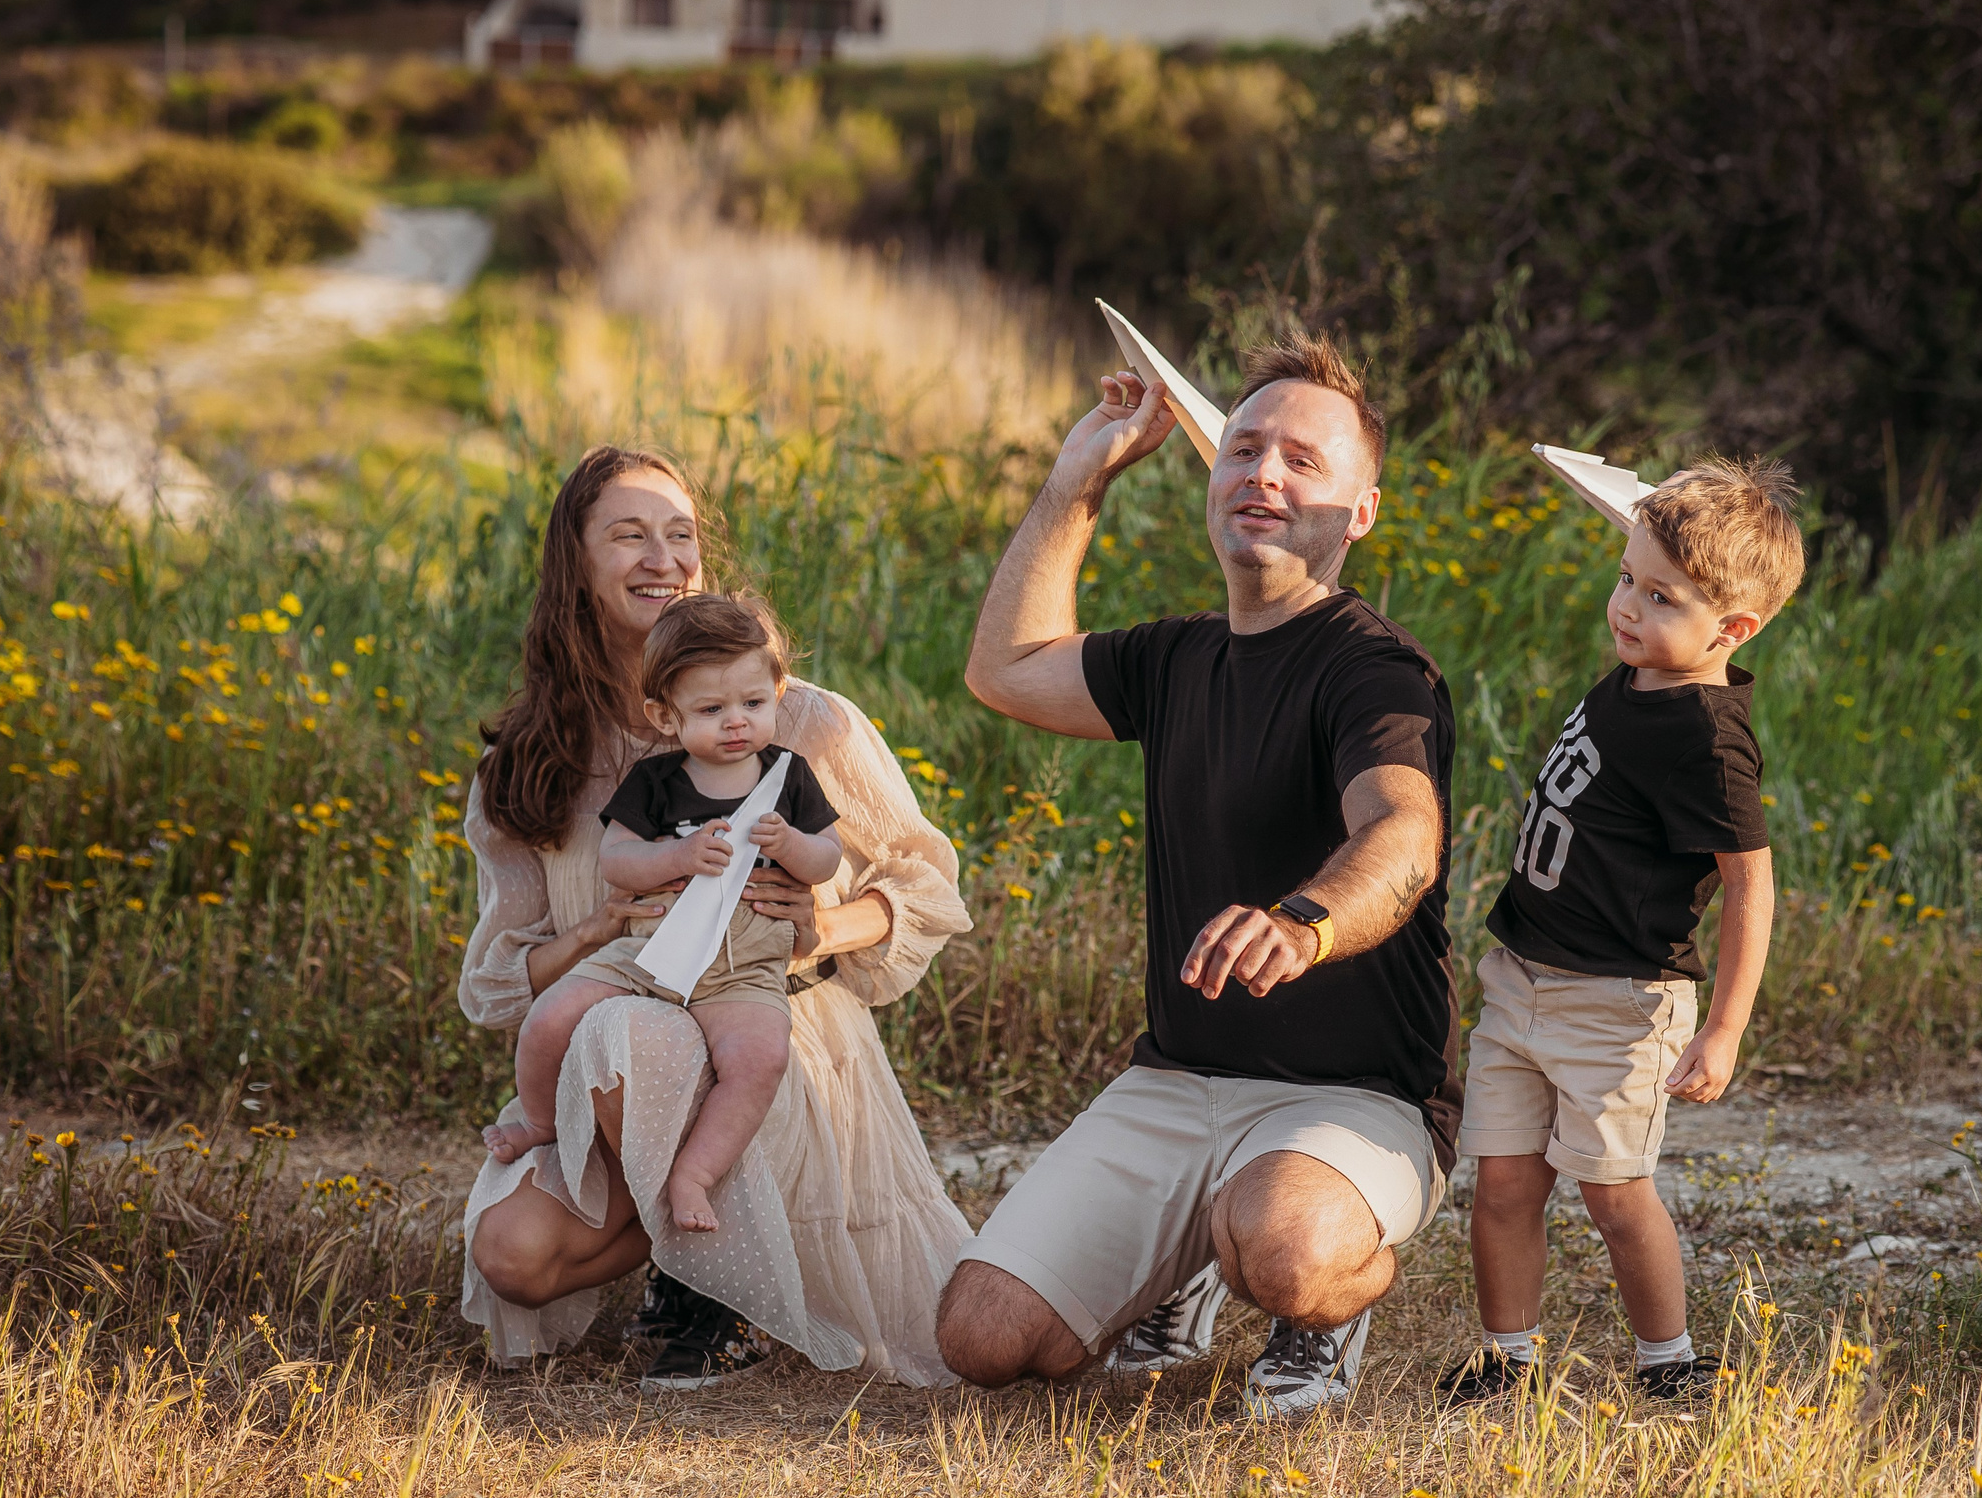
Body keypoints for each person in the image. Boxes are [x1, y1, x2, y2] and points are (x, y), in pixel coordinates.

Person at [947, 333, 1459, 1419]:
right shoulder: (1176, 658)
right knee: (982, 1336)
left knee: (1281, 1253)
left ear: (1357, 512)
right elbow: (1003, 667)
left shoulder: (1375, 669)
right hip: (1177, 1079)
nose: (1262, 472)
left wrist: (1306, 921)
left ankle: (1327, 1308)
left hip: (1353, 1099)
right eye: (1242, 447)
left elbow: (1404, 837)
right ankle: (1177, 1263)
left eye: (1301, 460)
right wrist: (1073, 482)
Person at [457, 444, 974, 1393]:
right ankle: (693, 1249)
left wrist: (823, 925)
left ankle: (712, 1296)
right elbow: (500, 987)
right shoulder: (533, 758)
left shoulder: (794, 720)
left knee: (625, 1031)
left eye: (680, 534)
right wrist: (601, 927)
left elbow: (931, 884)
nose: (663, 557)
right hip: (618, 1056)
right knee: (514, 1256)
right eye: (628, 535)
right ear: (574, 562)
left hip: (766, 1041)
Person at [1438, 457, 1802, 1404]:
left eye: (1659, 597)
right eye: (1625, 580)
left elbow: (1751, 888)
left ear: (1732, 631)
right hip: (1520, 978)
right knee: (1505, 1184)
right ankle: (1508, 1361)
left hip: (1619, 1001)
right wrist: (1674, 515)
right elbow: (1660, 532)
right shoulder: (1645, 666)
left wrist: (1723, 1029)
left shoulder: (1706, 738)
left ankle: (1667, 1362)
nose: (1626, 607)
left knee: (1611, 1191)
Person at [484, 594, 846, 1242]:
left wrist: (791, 845)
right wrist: (677, 853)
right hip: (646, 953)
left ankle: (695, 1174)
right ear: (665, 714)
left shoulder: (788, 777)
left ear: (777, 692)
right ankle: (540, 1120)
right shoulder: (656, 781)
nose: (736, 722)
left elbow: (826, 858)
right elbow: (618, 861)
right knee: (551, 1016)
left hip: (742, 967)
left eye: (753, 704)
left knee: (760, 1059)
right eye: (711, 710)